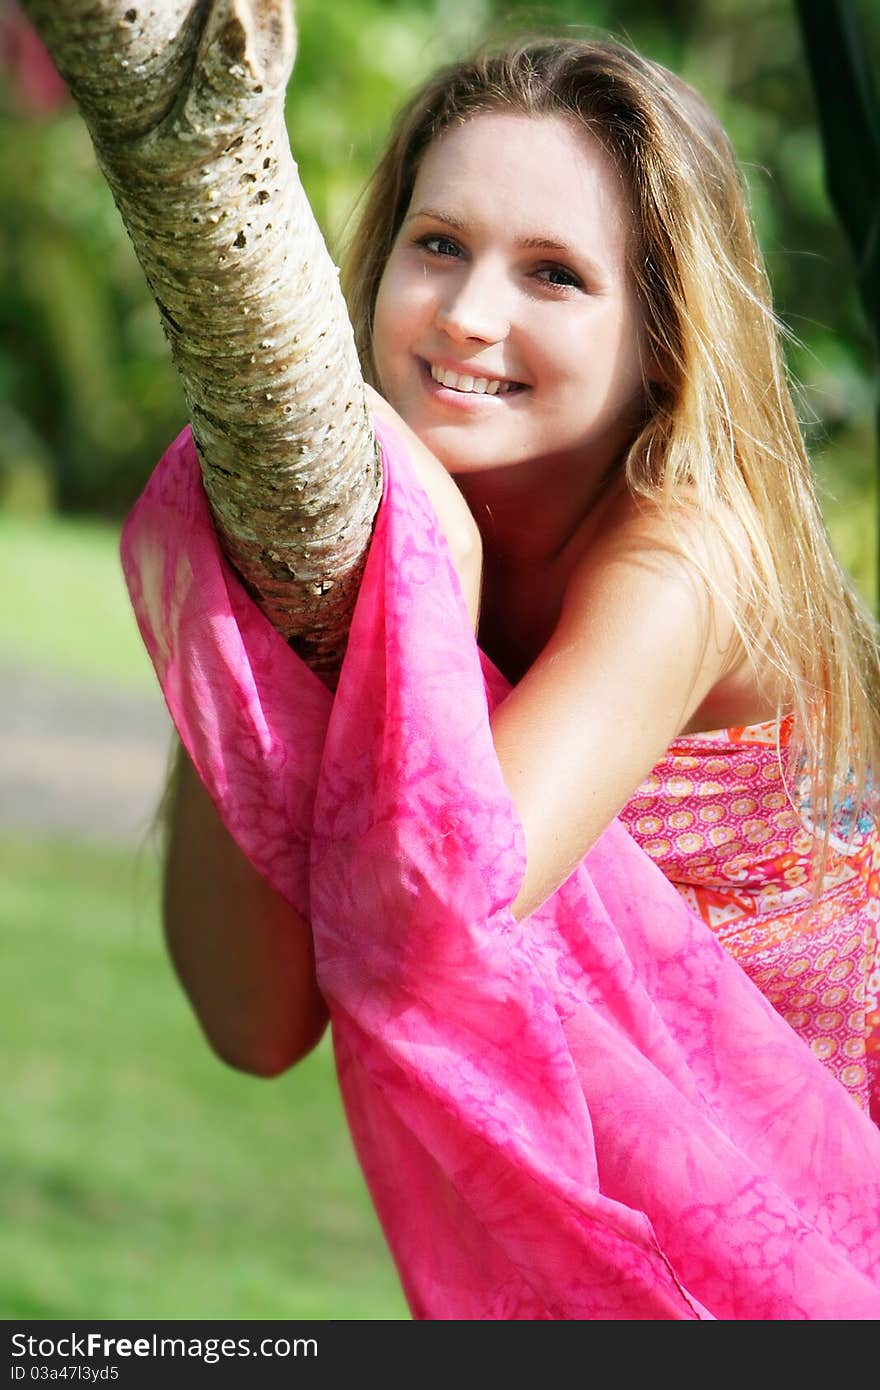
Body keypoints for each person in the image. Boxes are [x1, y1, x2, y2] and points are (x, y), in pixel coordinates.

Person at [124, 34, 880, 1318]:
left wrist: (438, 556)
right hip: (611, 1233)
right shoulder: (363, 547)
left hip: (822, 1224)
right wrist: (252, 600)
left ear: (659, 335)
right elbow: (252, 1022)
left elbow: (439, 906)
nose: (470, 314)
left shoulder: (691, 556)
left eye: (554, 274)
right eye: (438, 245)